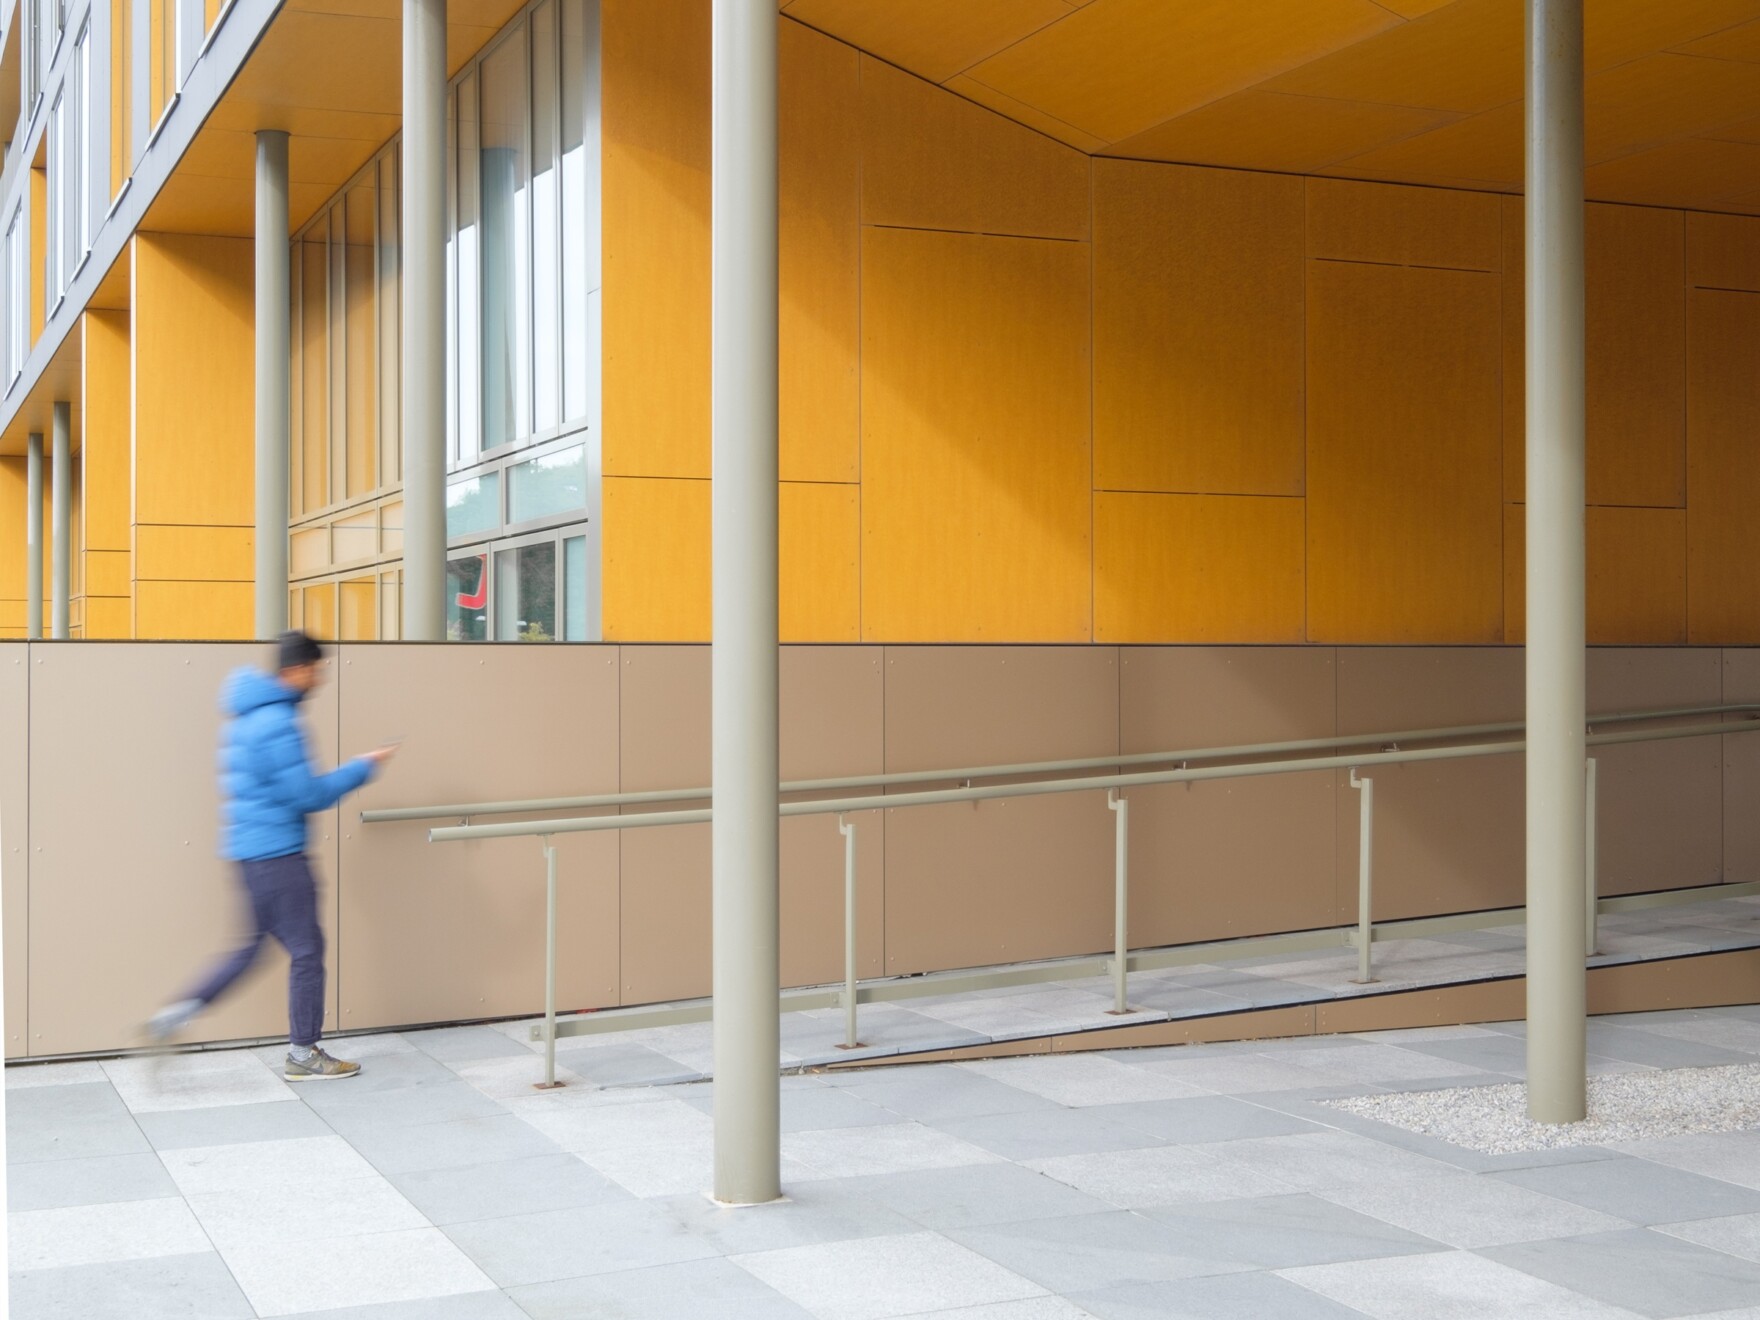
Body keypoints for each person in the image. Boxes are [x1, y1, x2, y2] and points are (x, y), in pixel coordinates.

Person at [144, 630, 398, 1080]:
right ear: (296, 670)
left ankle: (176, 1014)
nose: (320, 679)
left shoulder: (245, 718)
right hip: (279, 856)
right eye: (317, 670)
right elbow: (308, 794)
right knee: (307, 951)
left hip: (249, 855)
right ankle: (303, 1053)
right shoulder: (278, 723)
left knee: (249, 949)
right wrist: (365, 766)